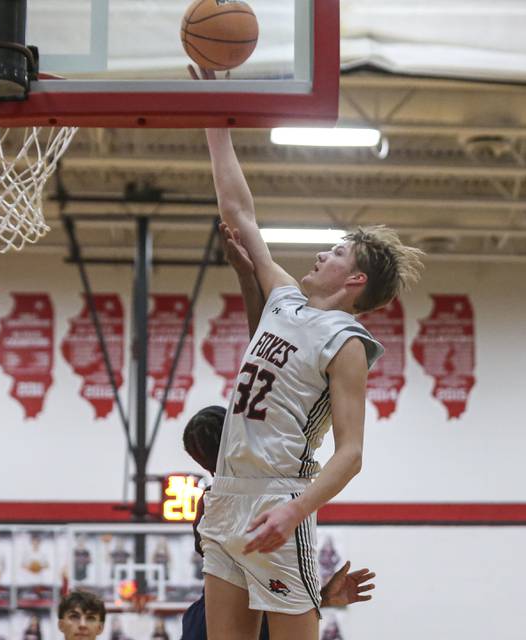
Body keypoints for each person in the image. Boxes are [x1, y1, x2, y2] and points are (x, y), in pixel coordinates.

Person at [195, 97, 423, 639]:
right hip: (226, 494)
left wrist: (294, 512)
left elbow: (351, 454)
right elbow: (241, 214)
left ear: (356, 280)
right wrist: (214, 123)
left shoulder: (347, 342)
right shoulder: (283, 298)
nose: (324, 254)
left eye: (337, 251)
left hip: (278, 496)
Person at [182, 405, 376, 640]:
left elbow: (257, 587)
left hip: (207, 621)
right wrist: (316, 599)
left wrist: (319, 598)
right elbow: (259, 589)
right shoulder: (263, 500)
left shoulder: (210, 502)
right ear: (238, 438)